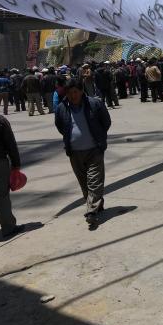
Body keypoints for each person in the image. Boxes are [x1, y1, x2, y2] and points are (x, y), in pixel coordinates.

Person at [55, 79, 111, 229]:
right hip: (74, 152)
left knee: (94, 180)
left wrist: (99, 137)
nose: (73, 95)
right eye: (69, 93)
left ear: (81, 91)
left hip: (94, 149)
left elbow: (106, 122)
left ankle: (91, 211)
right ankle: (96, 203)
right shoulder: (61, 108)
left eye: (75, 92)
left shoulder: (95, 103)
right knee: (84, 183)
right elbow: (60, 126)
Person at [0, 112, 24, 238]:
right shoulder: (0, 120)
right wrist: (16, 164)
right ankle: (8, 227)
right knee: (2, 196)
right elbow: (11, 144)